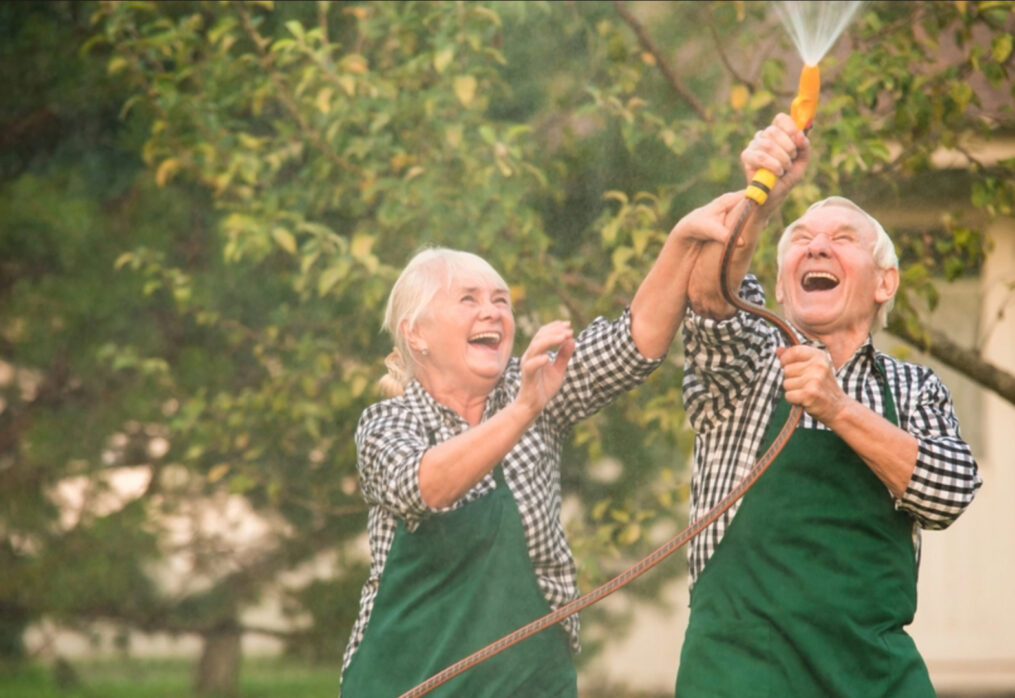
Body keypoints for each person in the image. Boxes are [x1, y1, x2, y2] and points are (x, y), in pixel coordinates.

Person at [337, 140, 790, 696]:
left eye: (501, 300)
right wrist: (526, 407)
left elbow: (636, 341)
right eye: (468, 299)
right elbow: (426, 485)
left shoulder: (535, 384)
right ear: (416, 333)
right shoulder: (388, 422)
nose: (492, 312)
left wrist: (681, 241)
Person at [674, 116, 983, 696]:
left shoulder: (914, 388)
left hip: (872, 675)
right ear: (785, 287)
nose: (817, 244)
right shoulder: (744, 367)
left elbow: (950, 495)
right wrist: (764, 198)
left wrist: (837, 407)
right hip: (740, 676)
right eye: (800, 239)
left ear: (884, 283)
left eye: (842, 239)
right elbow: (710, 297)